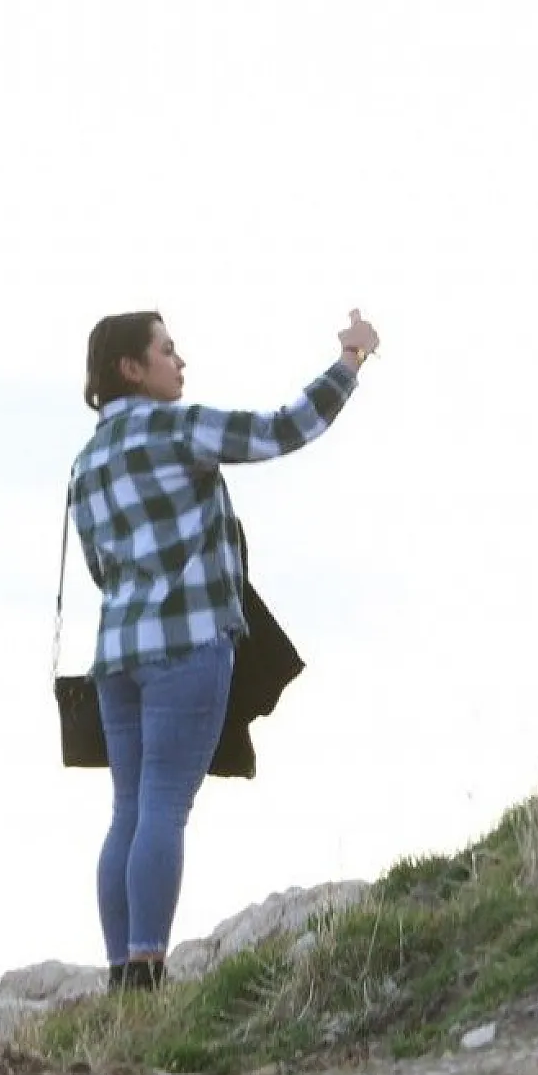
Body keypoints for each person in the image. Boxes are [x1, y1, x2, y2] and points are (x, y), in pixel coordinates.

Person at [68, 309, 379, 992]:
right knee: (163, 808)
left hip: (117, 656)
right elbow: (280, 430)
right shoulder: (180, 428)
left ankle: (125, 974)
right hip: (188, 644)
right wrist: (350, 362)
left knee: (129, 809)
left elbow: (99, 566)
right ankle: (149, 966)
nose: (181, 362)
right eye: (168, 350)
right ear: (132, 368)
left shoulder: (85, 463)